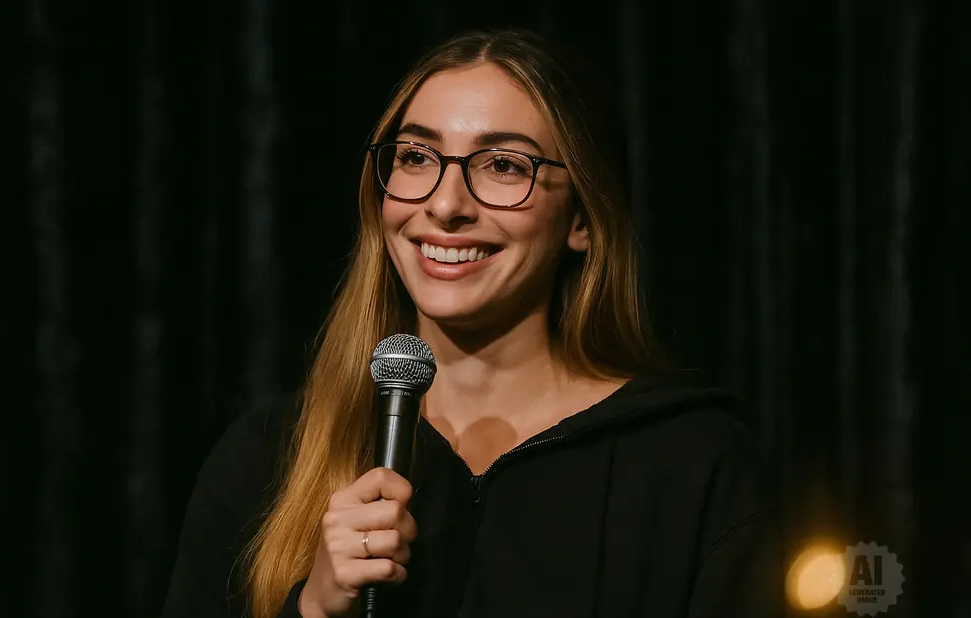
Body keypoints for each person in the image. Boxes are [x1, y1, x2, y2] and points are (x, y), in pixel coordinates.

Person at [160, 28, 783, 618]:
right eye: (415, 157)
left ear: (583, 220)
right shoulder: (268, 458)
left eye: (504, 166)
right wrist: (316, 609)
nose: (446, 204)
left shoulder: (690, 464)